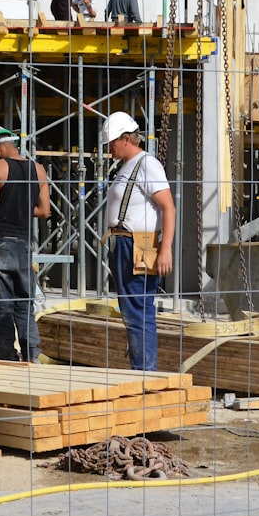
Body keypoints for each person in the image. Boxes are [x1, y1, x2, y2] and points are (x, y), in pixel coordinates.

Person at [101, 112, 175, 371]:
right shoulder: (127, 166)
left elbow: (168, 207)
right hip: (123, 243)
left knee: (138, 310)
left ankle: (145, 372)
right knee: (131, 310)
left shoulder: (146, 164)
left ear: (126, 139)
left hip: (139, 244)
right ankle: (141, 368)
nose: (109, 148)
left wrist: (165, 249)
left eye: (112, 142)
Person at [0, 128, 51, 363]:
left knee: (2, 303)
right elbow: (45, 211)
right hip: (24, 244)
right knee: (25, 303)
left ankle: (5, 355)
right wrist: (23, 210)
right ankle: (31, 355)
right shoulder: (39, 170)